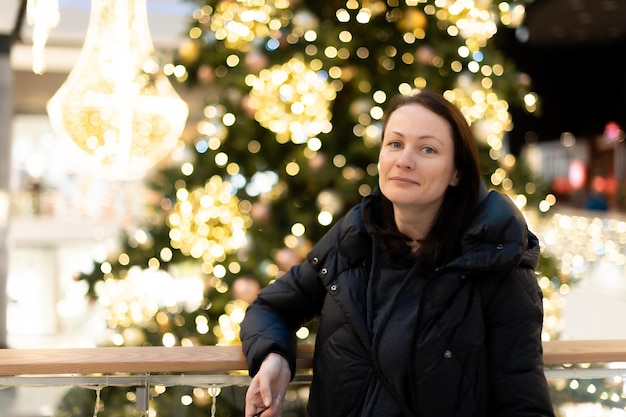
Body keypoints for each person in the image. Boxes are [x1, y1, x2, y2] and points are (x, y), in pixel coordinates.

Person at [240, 89, 555, 417]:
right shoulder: (356, 237)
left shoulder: (496, 263)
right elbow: (269, 307)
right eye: (395, 143)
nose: (404, 159)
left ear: (456, 173)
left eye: (428, 149)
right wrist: (273, 357)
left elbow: (524, 405)